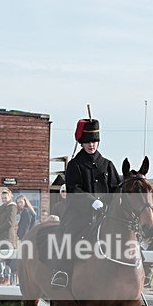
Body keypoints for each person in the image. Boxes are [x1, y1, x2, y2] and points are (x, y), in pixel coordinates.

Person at [51, 117, 120, 288]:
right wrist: (91, 202)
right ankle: (62, 272)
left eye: (94, 141)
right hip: (80, 214)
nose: (91, 145)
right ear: (82, 142)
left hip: (105, 214)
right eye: (88, 141)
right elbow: (73, 189)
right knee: (69, 237)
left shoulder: (107, 165)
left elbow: (115, 188)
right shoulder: (75, 165)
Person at [0, 189, 18, 285]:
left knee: (8, 259)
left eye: (5, 198)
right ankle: (1, 276)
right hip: (0, 236)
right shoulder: (2, 207)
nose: (4, 200)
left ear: (10, 196)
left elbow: (10, 222)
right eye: (2, 198)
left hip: (8, 236)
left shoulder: (12, 207)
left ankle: (8, 278)